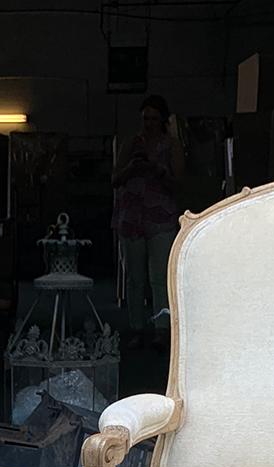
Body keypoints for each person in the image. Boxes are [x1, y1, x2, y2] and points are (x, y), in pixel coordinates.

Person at [112, 94, 184, 350]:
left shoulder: (171, 145)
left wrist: (156, 167)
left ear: (162, 120)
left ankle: (161, 329)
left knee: (159, 276)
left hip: (160, 216)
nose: (149, 123)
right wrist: (132, 166)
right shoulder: (131, 143)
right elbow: (115, 178)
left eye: (154, 118)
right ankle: (136, 327)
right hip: (132, 216)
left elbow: (179, 182)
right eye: (145, 118)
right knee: (134, 276)